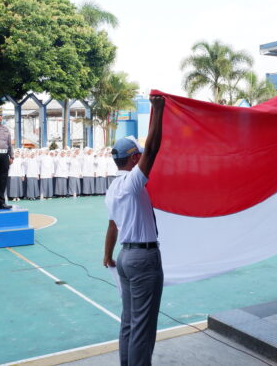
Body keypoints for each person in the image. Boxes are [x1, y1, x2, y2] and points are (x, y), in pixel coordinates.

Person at [103, 95, 165, 366]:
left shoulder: (112, 189)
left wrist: (108, 255)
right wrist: (158, 110)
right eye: (138, 155)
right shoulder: (131, 183)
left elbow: (112, 226)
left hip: (126, 257)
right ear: (133, 159)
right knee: (143, 327)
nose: (142, 157)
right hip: (143, 258)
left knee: (129, 322)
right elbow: (153, 150)